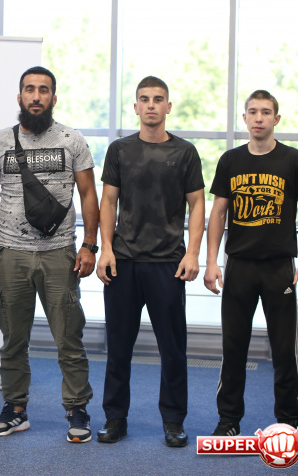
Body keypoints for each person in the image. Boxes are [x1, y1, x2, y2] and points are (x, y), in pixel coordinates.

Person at [0, 66, 99, 443]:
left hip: (59, 253)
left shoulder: (71, 139)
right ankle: (15, 409)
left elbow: (89, 194)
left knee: (69, 337)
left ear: (54, 97)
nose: (36, 96)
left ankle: (77, 408)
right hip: (12, 254)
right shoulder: (0, 141)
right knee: (13, 339)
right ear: (19, 97)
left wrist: (89, 245)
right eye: (30, 90)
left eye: (44, 90)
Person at [96, 76, 205, 447]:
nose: (151, 105)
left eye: (158, 99)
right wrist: (105, 249)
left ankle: (174, 421)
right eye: (145, 99)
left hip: (168, 263)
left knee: (172, 349)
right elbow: (108, 201)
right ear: (136, 107)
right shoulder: (120, 150)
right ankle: (115, 418)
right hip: (123, 262)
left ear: (168, 107)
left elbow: (197, 204)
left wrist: (193, 253)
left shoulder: (185, 152)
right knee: (118, 347)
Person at [204, 90, 298, 436]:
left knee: (283, 350)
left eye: (266, 112)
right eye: (252, 112)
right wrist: (212, 261)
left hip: (279, 267)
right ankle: (228, 420)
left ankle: (289, 422)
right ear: (244, 118)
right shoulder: (230, 161)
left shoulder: (293, 160)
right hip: (239, 265)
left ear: (276, 119)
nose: (258, 118)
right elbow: (218, 213)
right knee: (233, 348)